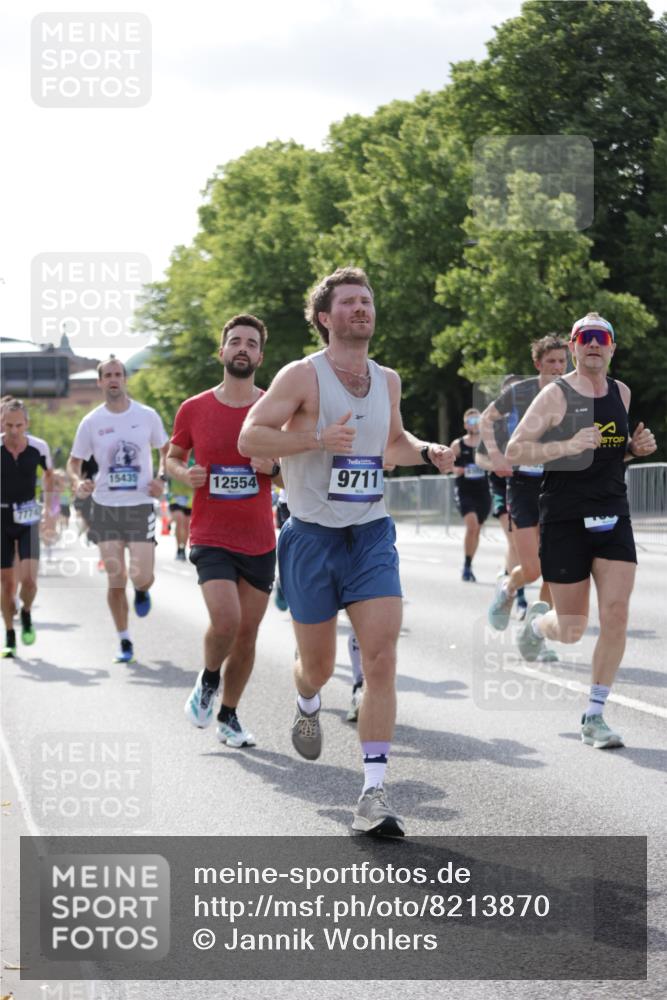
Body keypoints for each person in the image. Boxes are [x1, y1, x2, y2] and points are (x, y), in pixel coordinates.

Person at [238, 266, 455, 837]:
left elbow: (393, 443)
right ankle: (307, 698)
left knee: (380, 659)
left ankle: (373, 793)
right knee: (320, 666)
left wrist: (428, 450)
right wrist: (313, 440)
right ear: (324, 318)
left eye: (367, 301)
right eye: (350, 302)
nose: (362, 309)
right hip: (311, 537)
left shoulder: (388, 380)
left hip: (371, 532)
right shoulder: (301, 376)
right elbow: (250, 438)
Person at [506, 313, 657, 748]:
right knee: (571, 628)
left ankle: (594, 714)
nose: (593, 344)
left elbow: (609, 454)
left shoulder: (621, 393)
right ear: (574, 346)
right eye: (584, 337)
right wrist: (567, 445)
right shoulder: (556, 395)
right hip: (565, 517)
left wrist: (633, 449)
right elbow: (517, 448)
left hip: (612, 514)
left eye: (601, 337)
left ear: (612, 347)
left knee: (617, 614)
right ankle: (537, 627)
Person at [168, 314, 281, 748]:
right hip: (210, 533)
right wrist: (185, 474)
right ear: (222, 352)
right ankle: (209, 679)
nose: (242, 348)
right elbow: (173, 457)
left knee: (248, 634)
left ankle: (229, 716)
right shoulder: (194, 408)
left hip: (258, 538)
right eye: (235, 341)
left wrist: (272, 467)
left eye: (251, 343)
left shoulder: (274, 407)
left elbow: (290, 474)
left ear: (259, 356)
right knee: (227, 621)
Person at [67, 357, 169, 664]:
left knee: (143, 577)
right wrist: (78, 482)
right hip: (106, 507)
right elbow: (74, 462)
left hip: (139, 506)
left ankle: (141, 591)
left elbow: (167, 450)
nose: (113, 379)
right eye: (107, 375)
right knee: (116, 578)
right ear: (100, 382)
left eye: (118, 374)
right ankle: (124, 640)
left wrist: (161, 478)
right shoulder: (91, 422)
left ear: (125, 379)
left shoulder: (147, 416)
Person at [481, 335, 568, 656]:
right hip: (522, 485)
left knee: (556, 566)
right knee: (532, 569)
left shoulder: (574, 393)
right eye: (551, 362)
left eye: (562, 361)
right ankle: (507, 589)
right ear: (538, 364)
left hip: (557, 487)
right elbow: (486, 420)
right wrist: (496, 456)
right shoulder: (519, 392)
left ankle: (536, 635)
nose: (558, 368)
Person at [1, 399, 54, 656]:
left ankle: (26, 611)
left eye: (18, 425)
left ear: (27, 424)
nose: (13, 431)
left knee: (30, 581)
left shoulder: (39, 447)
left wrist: (51, 513)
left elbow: (50, 479)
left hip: (28, 516)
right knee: (6, 584)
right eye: (8, 425)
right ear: (2, 423)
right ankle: (10, 634)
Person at [476, 375, 528, 614]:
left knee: (523, 545)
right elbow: (479, 457)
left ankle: (508, 577)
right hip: (501, 487)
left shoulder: (533, 419)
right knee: (515, 541)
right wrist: (497, 461)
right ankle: (520, 599)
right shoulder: (494, 424)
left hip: (528, 487)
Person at [449, 408, 491, 581]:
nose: (475, 425)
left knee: (477, 529)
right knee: (472, 525)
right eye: (471, 422)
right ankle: (466, 566)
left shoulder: (488, 443)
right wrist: (456, 469)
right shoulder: (458, 444)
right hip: (465, 490)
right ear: (466, 424)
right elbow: (447, 465)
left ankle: (469, 563)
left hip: (483, 491)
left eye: (478, 421)